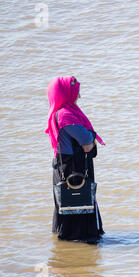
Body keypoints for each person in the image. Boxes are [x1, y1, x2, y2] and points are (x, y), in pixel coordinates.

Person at [45, 76, 106, 243]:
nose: (78, 96)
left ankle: (67, 247)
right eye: (75, 92)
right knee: (80, 203)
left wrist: (90, 140)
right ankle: (82, 242)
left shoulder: (59, 112)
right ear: (65, 93)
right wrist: (92, 137)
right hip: (73, 168)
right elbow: (87, 142)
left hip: (64, 167)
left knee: (66, 204)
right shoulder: (66, 115)